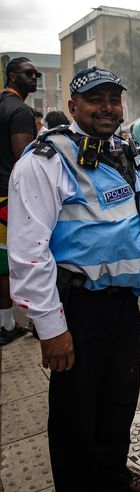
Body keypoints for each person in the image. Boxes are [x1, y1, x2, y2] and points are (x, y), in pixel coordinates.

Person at [7, 66, 140, 492]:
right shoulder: (46, 160)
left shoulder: (124, 150)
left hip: (122, 304)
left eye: (114, 99)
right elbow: (28, 252)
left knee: (120, 397)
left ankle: (111, 473)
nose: (108, 108)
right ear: (73, 107)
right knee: (76, 413)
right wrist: (51, 328)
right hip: (78, 307)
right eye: (96, 100)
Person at [0, 57, 39, 346]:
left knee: (2, 262)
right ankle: (30, 321)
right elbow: (25, 162)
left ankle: (7, 322)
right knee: (26, 259)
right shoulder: (21, 111)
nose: (34, 77)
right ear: (12, 76)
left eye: (36, 73)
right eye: (28, 73)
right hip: (9, 198)